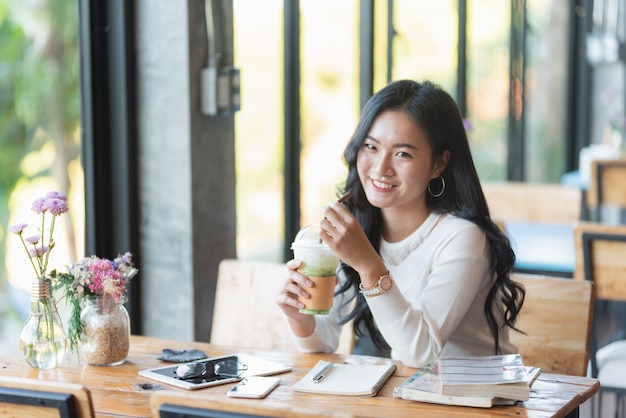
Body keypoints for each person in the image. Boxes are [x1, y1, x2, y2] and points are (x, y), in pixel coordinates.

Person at [276, 79, 525, 368]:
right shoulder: (360, 228)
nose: (381, 168)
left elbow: (421, 352)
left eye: (403, 154)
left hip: (474, 404)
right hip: (407, 397)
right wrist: (300, 318)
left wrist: (369, 265)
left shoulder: (462, 238)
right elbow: (325, 341)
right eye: (371, 147)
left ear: (439, 164)